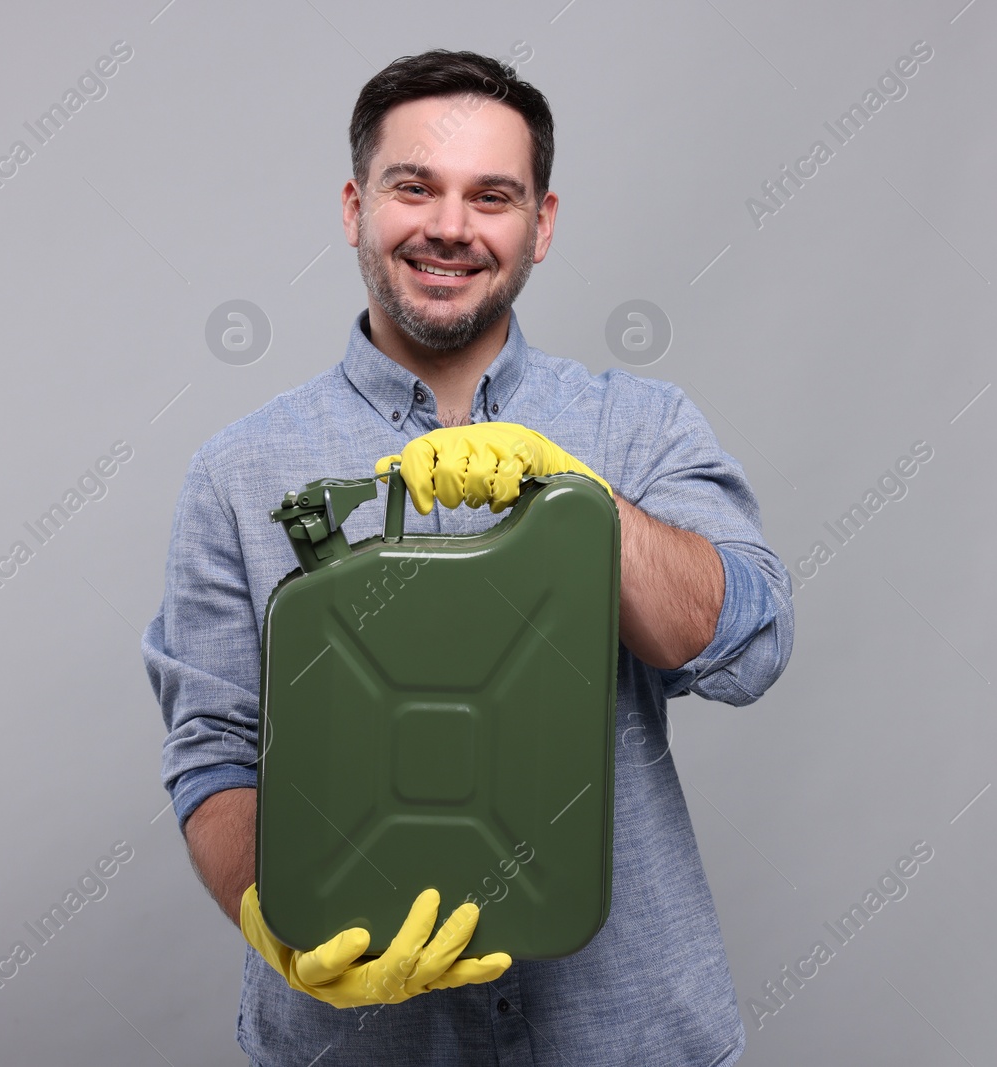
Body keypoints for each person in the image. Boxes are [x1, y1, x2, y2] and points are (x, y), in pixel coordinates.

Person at [142, 48, 795, 1066]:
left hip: (625, 1035)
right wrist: (268, 913)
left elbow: (746, 643)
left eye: (491, 195)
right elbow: (216, 747)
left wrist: (578, 500)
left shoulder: (638, 426)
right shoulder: (237, 471)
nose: (450, 226)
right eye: (416, 188)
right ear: (356, 205)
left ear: (540, 222)